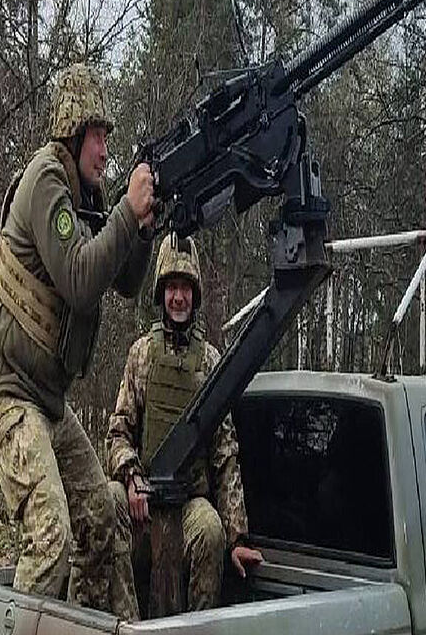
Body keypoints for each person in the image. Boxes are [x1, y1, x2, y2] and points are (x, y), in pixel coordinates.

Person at [0, 63, 153, 619]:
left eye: (106, 137)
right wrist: (128, 208)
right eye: (98, 136)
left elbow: (124, 281)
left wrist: (144, 226)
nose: (105, 149)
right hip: (11, 394)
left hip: (48, 403)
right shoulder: (46, 180)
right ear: (74, 133)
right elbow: (81, 281)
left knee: (103, 516)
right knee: (51, 537)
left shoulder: (88, 193)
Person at [106, 234, 263, 616]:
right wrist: (131, 479)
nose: (178, 297)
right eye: (172, 287)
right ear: (161, 294)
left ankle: (197, 626)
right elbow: (118, 433)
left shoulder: (211, 362)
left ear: (195, 294)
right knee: (106, 503)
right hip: (143, 505)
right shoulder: (141, 355)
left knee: (210, 530)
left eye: (185, 288)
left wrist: (237, 536)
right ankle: (126, 623)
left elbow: (226, 452)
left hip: (190, 502)